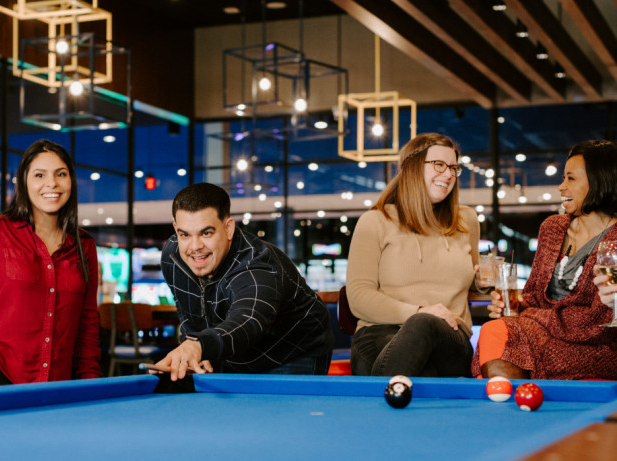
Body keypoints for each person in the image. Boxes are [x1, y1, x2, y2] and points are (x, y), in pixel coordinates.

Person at [0, 139, 101, 386]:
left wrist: (91, 382)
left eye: (60, 174)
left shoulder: (84, 245)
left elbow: (86, 322)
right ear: (24, 181)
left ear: (71, 182)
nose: (51, 183)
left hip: (56, 379)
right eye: (39, 175)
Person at [153, 182, 333, 381]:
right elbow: (189, 319)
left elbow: (249, 320)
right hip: (236, 357)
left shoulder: (257, 265)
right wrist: (192, 351)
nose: (195, 247)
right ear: (175, 229)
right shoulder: (173, 257)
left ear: (228, 228)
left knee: (273, 413)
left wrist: (200, 345)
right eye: (184, 234)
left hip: (293, 353)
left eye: (206, 233)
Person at [474, 140, 617, 380]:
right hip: (540, 334)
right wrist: (516, 303)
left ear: (599, 181)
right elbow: (534, 297)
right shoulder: (552, 228)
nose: (561, 186)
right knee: (496, 331)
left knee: (500, 336)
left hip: (596, 349)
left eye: (571, 179)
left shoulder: (614, 241)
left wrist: (533, 317)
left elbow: (599, 321)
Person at [345, 133, 480, 377]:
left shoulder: (466, 220)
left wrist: (487, 286)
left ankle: (378, 404)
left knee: (424, 326)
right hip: (378, 334)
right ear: (412, 168)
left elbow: (476, 279)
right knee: (423, 368)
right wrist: (417, 312)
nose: (449, 174)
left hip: (449, 337)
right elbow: (358, 297)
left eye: (454, 167)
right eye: (439, 165)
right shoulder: (375, 221)